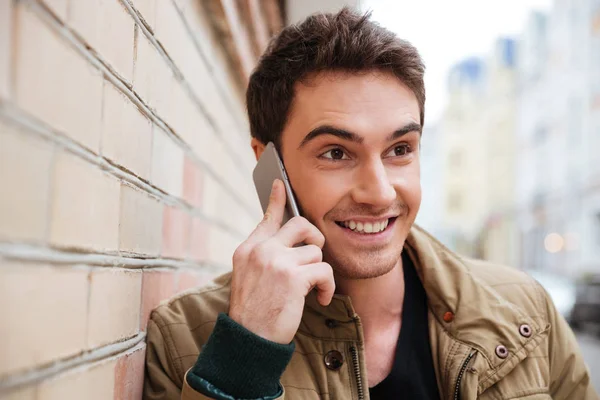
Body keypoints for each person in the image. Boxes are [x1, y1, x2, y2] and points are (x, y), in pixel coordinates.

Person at [143, 8, 597, 400]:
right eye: (336, 153)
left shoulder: (525, 313)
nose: (379, 193)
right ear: (268, 166)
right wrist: (248, 355)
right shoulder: (186, 338)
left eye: (400, 149)